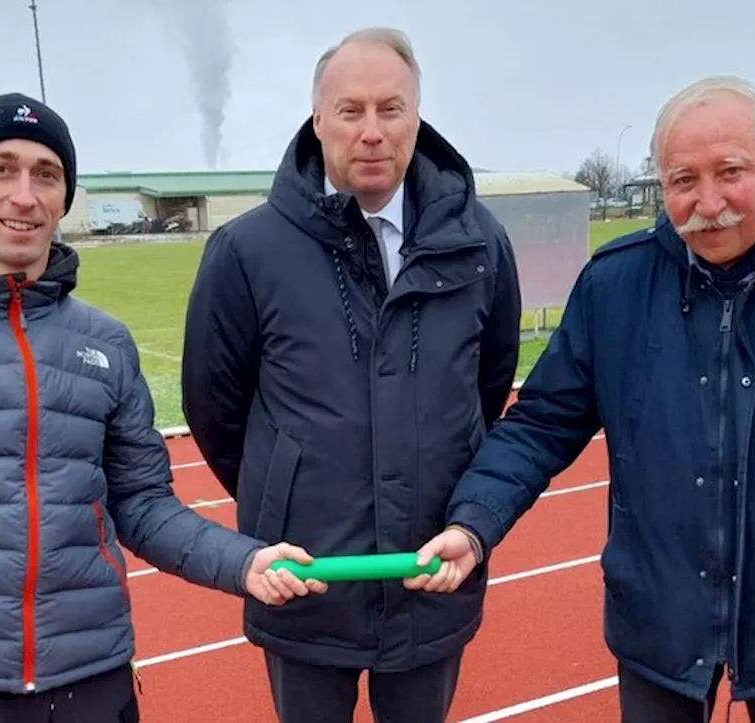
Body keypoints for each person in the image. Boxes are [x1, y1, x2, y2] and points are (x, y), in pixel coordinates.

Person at [405, 75, 755, 722]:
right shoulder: (617, 282)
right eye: (683, 180)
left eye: (730, 171)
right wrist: (474, 521)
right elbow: (541, 424)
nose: (708, 200)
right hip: (658, 616)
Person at [0, 92, 327, 723]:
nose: (25, 195)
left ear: (63, 197)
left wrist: (244, 561)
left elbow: (143, 505)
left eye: (46, 175)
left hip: (97, 678)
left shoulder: (105, 342)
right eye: (2, 168)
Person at [179, 26, 521, 723]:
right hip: (305, 581)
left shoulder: (481, 241)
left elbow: (490, 384)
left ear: (416, 118)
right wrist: (283, 489)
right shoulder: (245, 250)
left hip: (431, 574)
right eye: (350, 110)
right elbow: (215, 411)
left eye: (390, 109)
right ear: (317, 120)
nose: (371, 131)